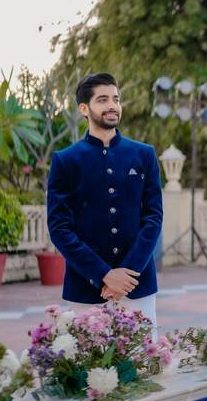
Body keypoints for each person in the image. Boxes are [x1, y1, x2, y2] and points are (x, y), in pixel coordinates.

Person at [47, 73, 163, 333]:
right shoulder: (66, 160)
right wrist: (104, 274)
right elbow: (59, 229)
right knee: (90, 370)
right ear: (84, 109)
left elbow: (153, 218)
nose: (112, 105)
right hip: (86, 289)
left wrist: (128, 275)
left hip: (138, 288)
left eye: (116, 99)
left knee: (146, 364)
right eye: (103, 100)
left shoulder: (144, 155)